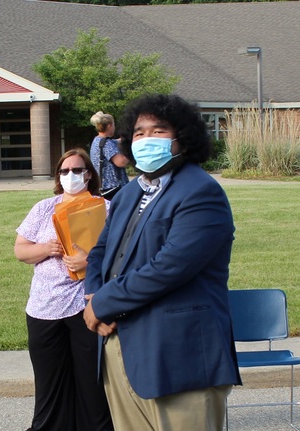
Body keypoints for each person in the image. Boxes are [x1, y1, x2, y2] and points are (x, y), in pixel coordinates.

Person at [83, 94, 241, 431]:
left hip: (177, 356)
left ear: (182, 138)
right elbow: (100, 252)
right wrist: (94, 297)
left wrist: (103, 304)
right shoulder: (128, 193)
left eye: (159, 131)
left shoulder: (202, 193)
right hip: (118, 346)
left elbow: (168, 268)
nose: (147, 139)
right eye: (139, 133)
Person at [14, 148, 113, 431]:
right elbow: (20, 250)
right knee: (49, 383)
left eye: (78, 170)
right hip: (44, 308)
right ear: (58, 176)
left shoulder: (106, 208)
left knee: (91, 384)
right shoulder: (44, 208)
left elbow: (124, 254)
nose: (71, 175)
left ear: (89, 174)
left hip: (87, 306)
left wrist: (91, 260)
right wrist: (45, 249)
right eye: (65, 171)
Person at [89, 111, 129, 203]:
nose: (114, 128)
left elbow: (117, 141)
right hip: (114, 188)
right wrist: (130, 151)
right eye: (114, 125)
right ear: (109, 126)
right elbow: (121, 162)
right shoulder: (107, 143)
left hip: (104, 187)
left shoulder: (98, 140)